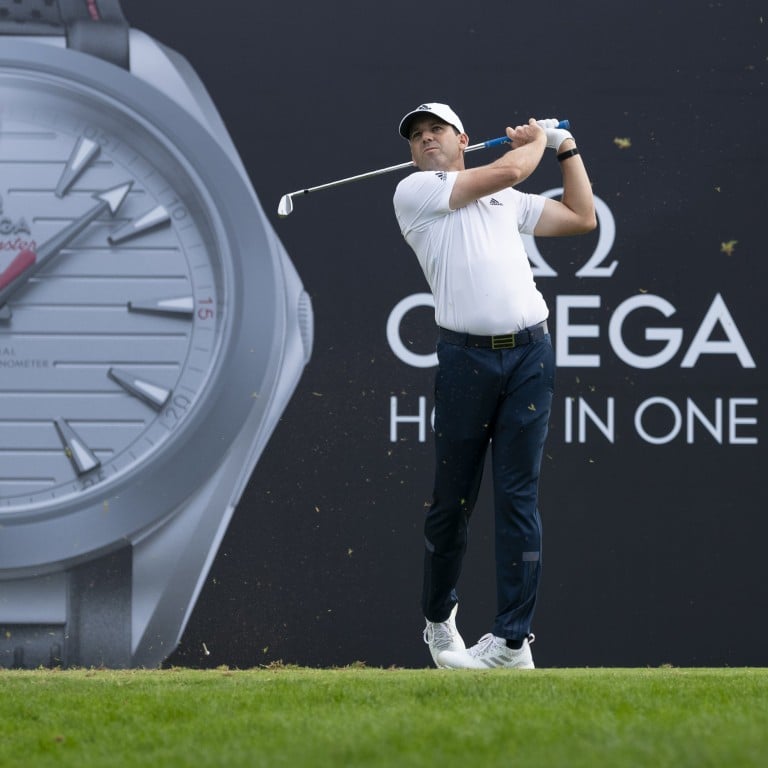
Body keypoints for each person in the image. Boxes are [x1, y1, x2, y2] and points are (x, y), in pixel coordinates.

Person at [392, 103, 596, 669]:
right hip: (465, 362)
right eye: (417, 136)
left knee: (518, 498)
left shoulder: (506, 201)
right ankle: (439, 619)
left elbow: (582, 217)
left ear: (462, 139)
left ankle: (511, 643)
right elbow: (509, 170)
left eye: (437, 131)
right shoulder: (416, 193)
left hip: (531, 354)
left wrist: (566, 148)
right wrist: (540, 138)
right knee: (451, 502)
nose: (426, 139)